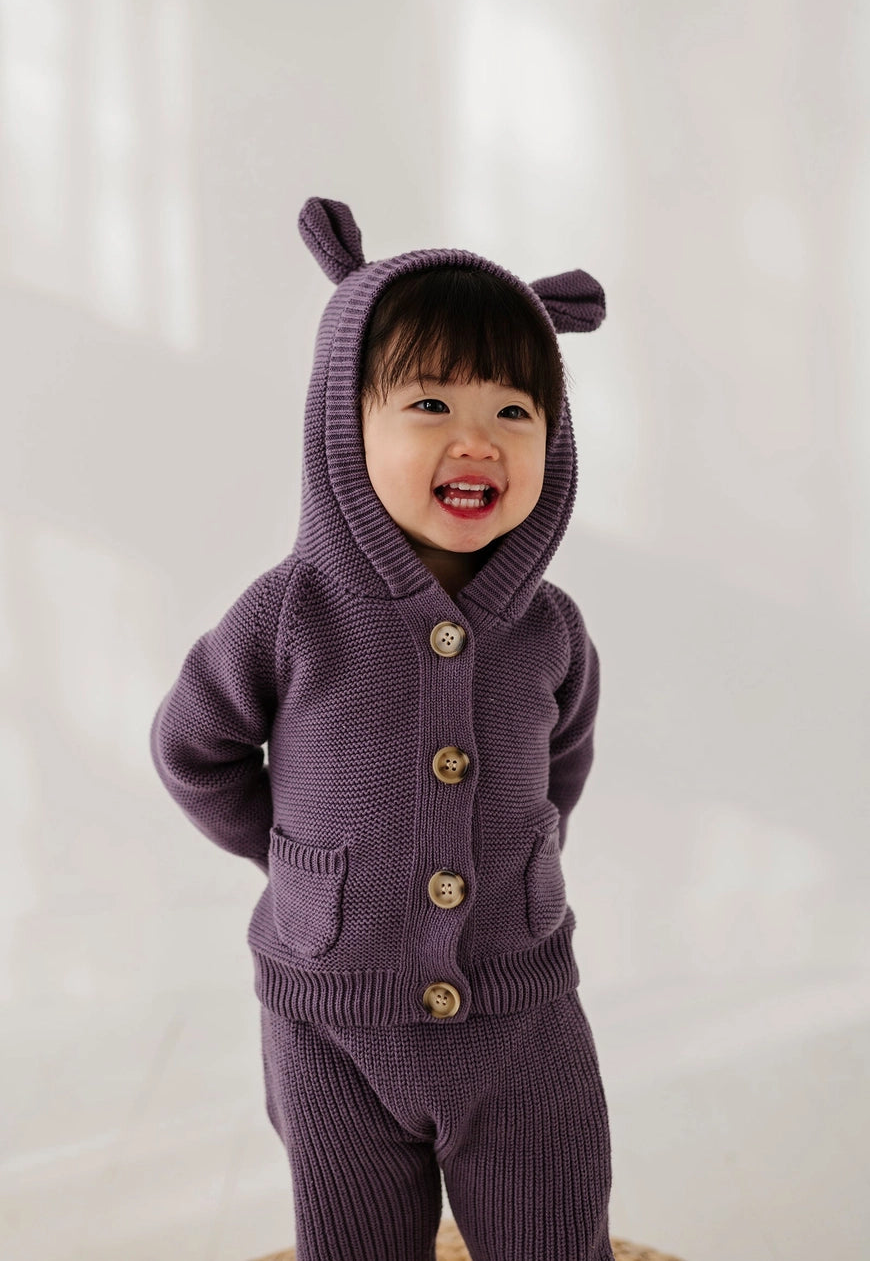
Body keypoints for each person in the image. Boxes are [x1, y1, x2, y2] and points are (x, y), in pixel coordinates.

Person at [149, 195, 615, 1261]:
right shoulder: (292, 612)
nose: (476, 439)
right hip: (330, 1018)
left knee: (556, 1230)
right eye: (430, 402)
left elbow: (564, 760)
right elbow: (193, 748)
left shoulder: (550, 628)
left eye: (515, 411)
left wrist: (522, 859)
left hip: (521, 1011)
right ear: (342, 423)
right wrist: (294, 858)